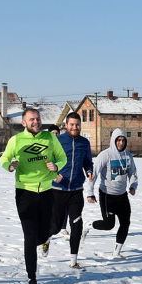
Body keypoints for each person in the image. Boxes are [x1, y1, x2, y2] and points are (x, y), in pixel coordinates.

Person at [0, 108, 67, 284]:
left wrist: (56, 166)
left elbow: (62, 158)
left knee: (45, 232)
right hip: (24, 192)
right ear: (24, 123)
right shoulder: (16, 140)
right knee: (29, 235)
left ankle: (43, 240)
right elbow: (4, 158)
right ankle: (32, 277)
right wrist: (10, 166)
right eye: (32, 119)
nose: (36, 122)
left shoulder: (50, 137)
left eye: (37, 119)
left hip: (46, 192)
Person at [49, 113, 94, 269]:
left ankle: (73, 261)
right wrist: (54, 175)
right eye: (72, 124)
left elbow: (88, 161)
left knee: (77, 225)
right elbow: (47, 162)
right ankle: (46, 238)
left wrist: (89, 170)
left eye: (77, 125)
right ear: (66, 125)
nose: (75, 127)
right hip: (58, 190)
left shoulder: (84, 143)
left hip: (76, 190)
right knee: (55, 227)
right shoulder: (57, 141)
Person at [86, 128, 138, 258]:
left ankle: (116, 252)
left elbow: (133, 172)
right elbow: (94, 173)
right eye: (118, 140)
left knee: (125, 223)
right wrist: (90, 193)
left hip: (122, 196)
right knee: (109, 225)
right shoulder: (105, 155)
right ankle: (88, 225)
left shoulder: (128, 155)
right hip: (107, 195)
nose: (121, 143)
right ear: (113, 141)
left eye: (123, 140)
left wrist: (133, 185)